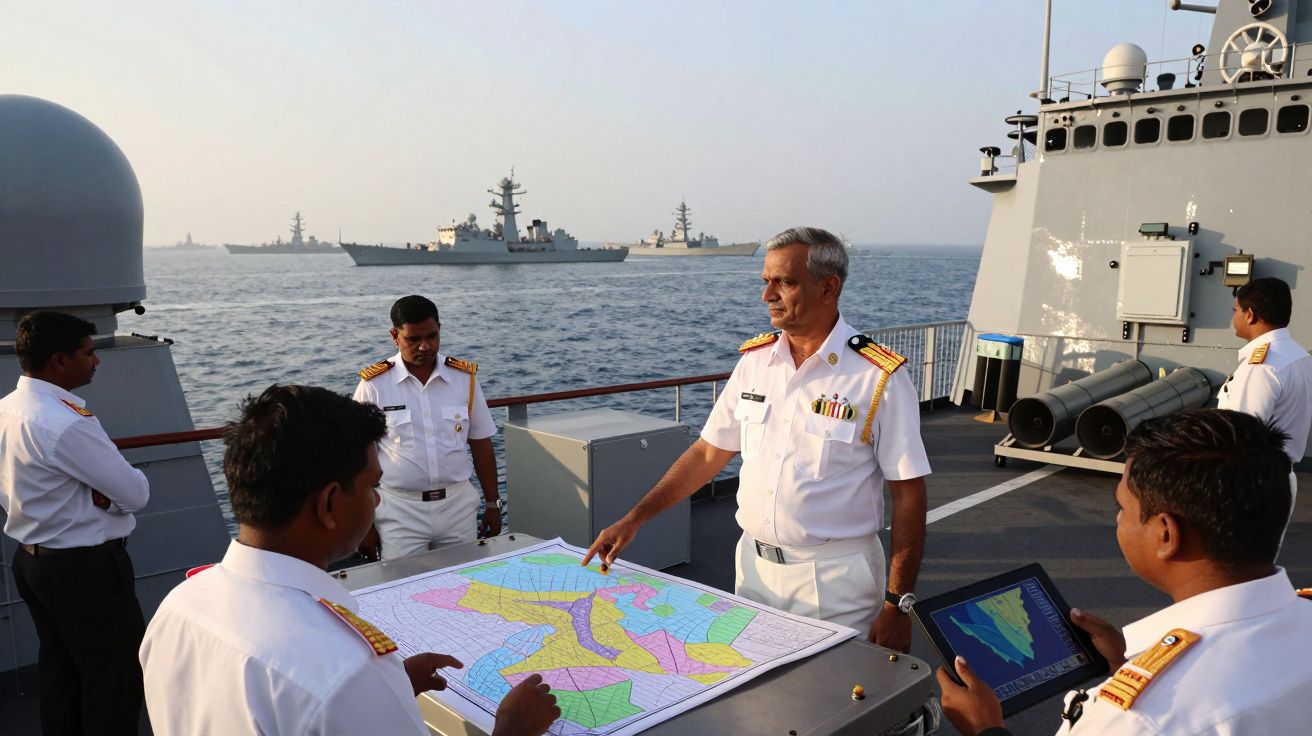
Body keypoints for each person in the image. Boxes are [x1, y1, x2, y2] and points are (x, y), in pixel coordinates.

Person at [139, 384, 559, 736]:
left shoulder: (179, 605)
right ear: (328, 504)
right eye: (372, 485)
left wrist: (387, 692)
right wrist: (511, 731)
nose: (377, 500)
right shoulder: (346, 671)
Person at [584, 226, 930, 650]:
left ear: (828, 288)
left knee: (836, 704)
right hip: (753, 571)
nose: (767, 295)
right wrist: (634, 518)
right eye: (765, 281)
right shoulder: (756, 362)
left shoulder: (876, 377)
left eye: (783, 282)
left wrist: (898, 604)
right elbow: (709, 452)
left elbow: (908, 493)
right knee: (757, 706)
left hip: (834, 583)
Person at [938, 409, 1312, 735]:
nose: (1118, 518)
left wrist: (987, 728)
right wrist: (1124, 665)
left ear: (1166, 534)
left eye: (1123, 507)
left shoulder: (1134, 719)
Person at [0, 310, 151, 735]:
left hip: (32, 563)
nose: (96, 361)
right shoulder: (65, 423)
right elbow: (136, 493)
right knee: (113, 681)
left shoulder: (7, 410)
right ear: (59, 361)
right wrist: (107, 497)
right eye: (87, 353)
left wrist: (98, 495)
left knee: (61, 673)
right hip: (84, 569)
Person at [352, 295, 501, 560]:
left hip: (457, 506)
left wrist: (492, 503)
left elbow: (481, 443)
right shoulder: (374, 385)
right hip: (399, 509)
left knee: (464, 586)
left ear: (440, 330)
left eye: (432, 336)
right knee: (401, 588)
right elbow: (356, 457)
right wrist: (363, 524)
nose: (425, 346)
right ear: (394, 336)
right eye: (413, 339)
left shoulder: (463, 379)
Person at [1217, 276, 1312, 465]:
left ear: (1249, 315)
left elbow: (1241, 437)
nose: (1234, 317)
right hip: (1278, 474)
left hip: (1252, 477)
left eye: (1235, 310)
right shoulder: (1299, 354)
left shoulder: (1261, 366)